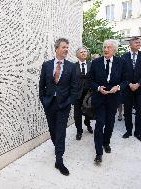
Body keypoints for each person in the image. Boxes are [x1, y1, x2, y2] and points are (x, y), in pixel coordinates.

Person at [39, 38, 77, 176]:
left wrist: (69, 101)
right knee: (53, 130)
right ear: (57, 49)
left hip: (63, 105)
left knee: (61, 132)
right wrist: (43, 100)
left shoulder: (72, 66)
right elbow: (41, 84)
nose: (66, 49)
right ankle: (58, 149)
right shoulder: (47, 65)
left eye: (67, 47)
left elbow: (74, 88)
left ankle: (59, 160)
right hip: (49, 103)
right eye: (63, 47)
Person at [88, 39, 128, 163]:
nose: (105, 49)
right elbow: (90, 80)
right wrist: (99, 88)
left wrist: (118, 87)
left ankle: (106, 142)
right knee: (99, 124)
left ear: (114, 49)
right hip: (99, 99)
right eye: (104, 47)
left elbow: (126, 79)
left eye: (109, 47)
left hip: (113, 99)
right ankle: (98, 153)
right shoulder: (96, 62)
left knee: (110, 123)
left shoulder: (121, 62)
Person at [121, 37, 141, 141]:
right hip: (127, 88)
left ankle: (138, 133)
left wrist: (138, 84)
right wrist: (129, 83)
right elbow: (122, 73)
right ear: (130, 44)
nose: (139, 44)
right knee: (127, 111)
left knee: (140, 111)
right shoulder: (124, 56)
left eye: (139, 42)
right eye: (136, 42)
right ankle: (128, 131)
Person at [74, 47, 93, 140]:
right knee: (77, 114)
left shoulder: (92, 65)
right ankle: (79, 131)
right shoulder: (73, 66)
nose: (83, 53)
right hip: (77, 94)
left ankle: (88, 124)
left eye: (85, 51)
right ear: (77, 55)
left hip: (88, 94)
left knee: (88, 111)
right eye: (81, 52)